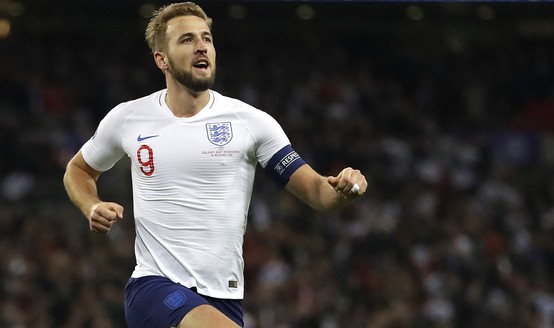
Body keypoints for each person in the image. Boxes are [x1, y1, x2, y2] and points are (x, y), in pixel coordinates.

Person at [63, 2, 367, 327]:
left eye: (206, 38)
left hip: (224, 297)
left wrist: (343, 190)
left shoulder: (251, 123)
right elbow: (78, 170)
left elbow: (317, 192)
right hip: (154, 287)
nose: (201, 47)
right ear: (161, 59)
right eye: (187, 40)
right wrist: (91, 205)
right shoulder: (128, 118)